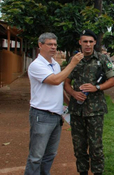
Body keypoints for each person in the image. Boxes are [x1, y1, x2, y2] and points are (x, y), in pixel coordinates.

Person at [25, 32, 83, 175]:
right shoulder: (36, 65)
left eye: (55, 45)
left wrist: (69, 103)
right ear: (40, 45)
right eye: (49, 44)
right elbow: (56, 80)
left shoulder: (55, 65)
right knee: (36, 156)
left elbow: (58, 88)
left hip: (56, 116)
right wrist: (72, 64)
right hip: (42, 115)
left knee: (50, 154)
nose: (53, 47)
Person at [64, 30, 114, 175]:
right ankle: (82, 172)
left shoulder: (103, 59)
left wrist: (96, 87)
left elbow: (112, 81)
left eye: (90, 41)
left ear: (94, 43)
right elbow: (66, 83)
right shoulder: (74, 60)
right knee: (79, 147)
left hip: (95, 111)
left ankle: (98, 172)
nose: (88, 44)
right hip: (77, 110)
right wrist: (74, 93)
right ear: (80, 42)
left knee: (96, 147)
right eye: (85, 41)